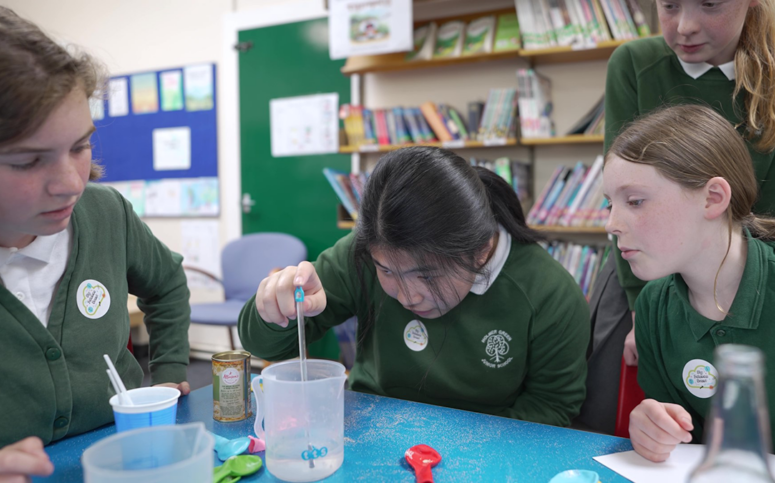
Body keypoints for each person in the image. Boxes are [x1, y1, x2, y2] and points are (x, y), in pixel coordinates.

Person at [580, 0, 775, 434]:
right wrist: (641, 317)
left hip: (760, 253)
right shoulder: (633, 61)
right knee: (609, 402)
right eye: (668, 6)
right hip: (647, 261)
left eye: (709, 4)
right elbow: (624, 180)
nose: (684, 25)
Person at [239, 146, 590, 426]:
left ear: (481, 251)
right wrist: (272, 310)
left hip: (489, 452)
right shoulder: (361, 253)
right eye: (387, 271)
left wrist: (460, 451)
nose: (408, 296)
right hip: (369, 430)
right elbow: (260, 342)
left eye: (428, 276)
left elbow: (552, 409)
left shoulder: (549, 293)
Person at [0, 5, 191, 478]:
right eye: (27, 161)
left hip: (126, 457)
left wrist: (170, 374)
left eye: (80, 146)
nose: (70, 184)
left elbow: (166, 284)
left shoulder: (104, 213)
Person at [603, 104, 775, 466]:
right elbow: (685, 446)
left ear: (713, 198)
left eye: (635, 201)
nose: (612, 224)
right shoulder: (653, 306)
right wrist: (653, 429)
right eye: (609, 204)